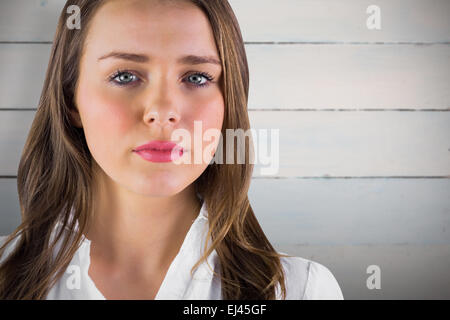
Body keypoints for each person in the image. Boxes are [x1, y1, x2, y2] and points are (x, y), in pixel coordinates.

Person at [0, 0, 343, 300]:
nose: (163, 110)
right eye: (124, 76)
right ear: (70, 99)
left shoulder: (300, 292)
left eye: (196, 78)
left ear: (229, 102)